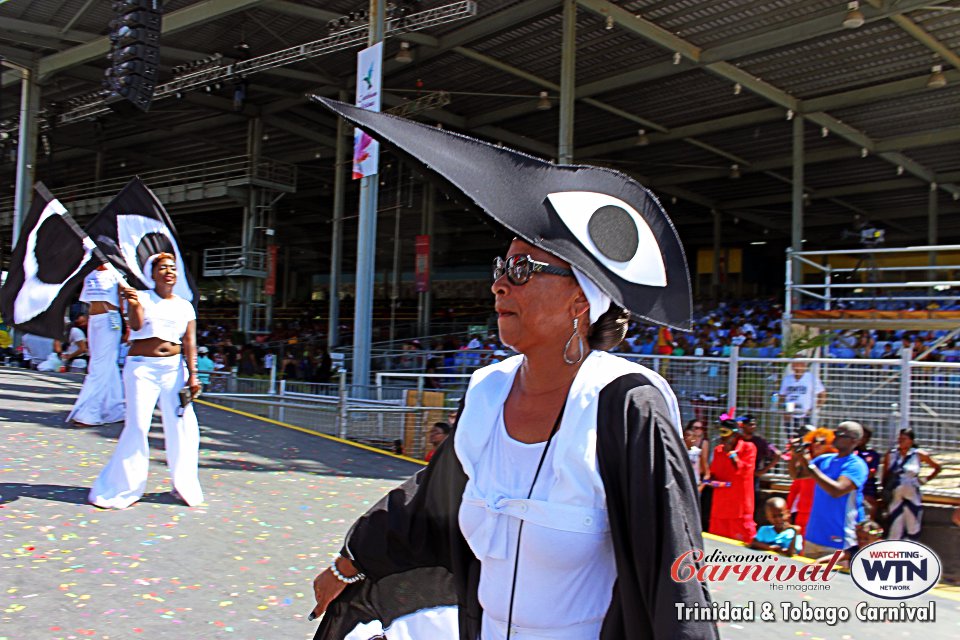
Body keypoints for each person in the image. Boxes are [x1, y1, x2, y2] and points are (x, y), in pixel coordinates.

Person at [310, 240, 716, 639]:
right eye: (500, 268)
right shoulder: (488, 391)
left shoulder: (627, 404)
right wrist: (348, 564)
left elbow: (675, 568)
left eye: (522, 270)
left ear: (581, 299)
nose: (499, 285)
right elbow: (427, 504)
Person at [88, 253, 203, 509]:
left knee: (181, 426)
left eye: (172, 268)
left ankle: (184, 486)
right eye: (162, 268)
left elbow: (190, 342)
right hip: (142, 369)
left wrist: (193, 375)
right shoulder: (140, 296)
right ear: (152, 274)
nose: (169, 271)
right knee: (138, 426)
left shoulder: (185, 305)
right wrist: (134, 304)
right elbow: (137, 327)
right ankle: (123, 488)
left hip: (174, 370)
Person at [792, 421, 868, 559]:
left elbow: (837, 490)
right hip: (813, 536)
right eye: (835, 433)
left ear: (854, 441)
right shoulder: (824, 459)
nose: (835, 437)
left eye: (840, 434)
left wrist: (810, 466)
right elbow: (796, 474)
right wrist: (796, 454)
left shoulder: (856, 465)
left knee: (834, 580)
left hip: (839, 540)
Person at [67, 265, 125, 427]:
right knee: (106, 365)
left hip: (110, 320)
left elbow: (123, 300)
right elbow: (88, 301)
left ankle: (89, 412)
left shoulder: (116, 273)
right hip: (94, 321)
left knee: (99, 366)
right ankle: (115, 409)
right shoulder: (90, 273)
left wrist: (128, 326)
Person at [882, 428, 942, 540]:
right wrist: (884, 493)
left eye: (904, 439)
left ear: (911, 441)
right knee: (895, 527)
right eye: (899, 439)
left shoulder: (918, 454)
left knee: (912, 525)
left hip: (912, 494)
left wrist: (925, 479)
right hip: (895, 494)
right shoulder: (891, 455)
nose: (900, 441)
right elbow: (885, 474)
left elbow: (937, 467)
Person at [708, 419, 757, 542]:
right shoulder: (718, 450)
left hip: (739, 510)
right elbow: (714, 474)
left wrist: (731, 453)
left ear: (735, 434)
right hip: (719, 508)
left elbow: (745, 472)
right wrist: (711, 482)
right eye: (720, 432)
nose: (721, 436)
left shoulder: (748, 448)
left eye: (725, 432)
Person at [785, 427, 836, 535]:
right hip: (803, 510)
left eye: (822, 442)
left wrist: (803, 458)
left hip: (821, 512)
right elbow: (795, 475)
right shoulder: (808, 459)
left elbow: (811, 471)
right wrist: (794, 455)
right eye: (814, 441)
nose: (817, 444)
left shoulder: (830, 461)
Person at [779, 361, 827, 436]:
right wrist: (784, 410)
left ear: (804, 365)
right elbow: (782, 395)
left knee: (806, 436)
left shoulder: (811, 378)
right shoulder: (787, 379)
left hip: (806, 411)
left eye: (799, 363)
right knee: (791, 436)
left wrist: (814, 409)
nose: (796, 366)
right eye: (794, 363)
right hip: (790, 408)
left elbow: (822, 394)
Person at [739, 414, 780, 502]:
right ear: (743, 426)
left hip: (752, 480)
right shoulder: (737, 440)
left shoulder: (760, 442)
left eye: (754, 424)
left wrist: (762, 471)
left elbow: (777, 454)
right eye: (750, 424)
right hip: (737, 479)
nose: (753, 427)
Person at [813, 519, 883, 570]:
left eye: (866, 539)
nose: (861, 541)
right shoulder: (855, 550)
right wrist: (818, 561)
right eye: (859, 538)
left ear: (877, 539)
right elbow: (838, 556)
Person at [855, 425, 882, 518]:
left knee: (871, 506)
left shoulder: (873, 454)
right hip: (851, 484)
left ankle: (870, 526)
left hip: (867, 486)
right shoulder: (850, 452)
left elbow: (872, 471)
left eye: (864, 437)